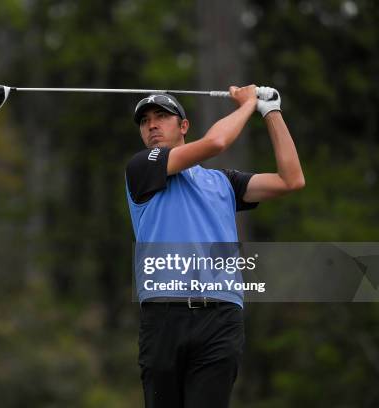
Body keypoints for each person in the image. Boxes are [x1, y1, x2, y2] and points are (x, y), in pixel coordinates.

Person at [124, 85, 305, 408]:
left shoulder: (224, 182)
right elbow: (217, 142)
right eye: (145, 120)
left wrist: (271, 112)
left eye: (162, 117)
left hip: (220, 318)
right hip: (163, 316)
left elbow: (291, 179)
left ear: (183, 127)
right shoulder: (142, 167)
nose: (152, 125)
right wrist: (247, 104)